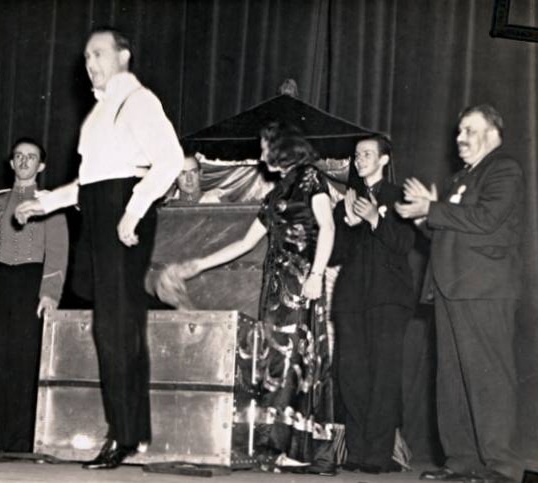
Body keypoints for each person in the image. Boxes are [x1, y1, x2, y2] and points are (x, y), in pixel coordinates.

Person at [14, 27, 183, 470]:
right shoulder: (99, 111)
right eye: (87, 55)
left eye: (99, 53)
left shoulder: (139, 101)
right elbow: (90, 183)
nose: (90, 62)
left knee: (116, 326)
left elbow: (169, 160)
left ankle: (124, 435)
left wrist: (132, 212)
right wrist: (46, 202)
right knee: (116, 325)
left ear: (123, 56)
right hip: (100, 210)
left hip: (122, 216)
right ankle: (132, 432)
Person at [167, 122, 337, 474]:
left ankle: (304, 451)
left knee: (296, 361)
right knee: (277, 362)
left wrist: (317, 275)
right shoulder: (277, 193)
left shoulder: (310, 178)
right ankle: (282, 447)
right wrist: (195, 265)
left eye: (264, 147)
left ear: (280, 147)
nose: (260, 155)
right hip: (276, 286)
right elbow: (244, 243)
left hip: (301, 280)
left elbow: (328, 226)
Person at [395, 104, 524, 482]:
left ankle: (500, 466)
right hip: (450, 289)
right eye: (459, 131)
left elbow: (486, 219)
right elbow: (446, 232)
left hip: (484, 290)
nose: (460, 138)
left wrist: (432, 208)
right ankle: (462, 462)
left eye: (469, 130)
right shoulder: (459, 180)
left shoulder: (503, 170)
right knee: (452, 381)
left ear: (493, 133)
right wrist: (423, 217)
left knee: (488, 378)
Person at [0, 137, 68, 454]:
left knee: (26, 359)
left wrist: (50, 294)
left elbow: (58, 253)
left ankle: (20, 439)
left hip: (31, 283)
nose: (24, 161)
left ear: (42, 165)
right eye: (19, 156)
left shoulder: (51, 202)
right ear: (11, 163)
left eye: (32, 157)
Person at [330, 134, 414, 474]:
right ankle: (357, 450)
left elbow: (406, 244)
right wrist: (347, 223)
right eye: (356, 154)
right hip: (351, 299)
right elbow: (335, 254)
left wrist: (375, 220)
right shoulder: (346, 201)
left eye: (367, 154)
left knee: (383, 375)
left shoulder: (399, 197)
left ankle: (379, 455)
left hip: (388, 299)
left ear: (383, 160)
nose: (359, 159)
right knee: (351, 375)